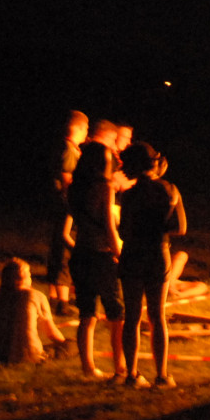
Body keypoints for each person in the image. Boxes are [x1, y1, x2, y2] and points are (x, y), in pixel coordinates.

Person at [119, 141, 187, 387]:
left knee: (132, 315)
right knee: (157, 315)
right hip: (158, 253)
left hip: (132, 254)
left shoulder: (128, 195)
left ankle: (132, 373)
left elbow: (124, 231)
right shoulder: (169, 189)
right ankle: (162, 374)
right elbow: (181, 227)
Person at [68, 139, 125, 379]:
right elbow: (109, 226)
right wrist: (120, 253)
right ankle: (121, 366)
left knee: (86, 313)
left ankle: (88, 367)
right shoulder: (103, 187)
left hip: (80, 252)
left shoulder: (75, 187)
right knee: (116, 313)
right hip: (101, 254)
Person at [0, 257, 69, 365]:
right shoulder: (35, 295)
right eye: (29, 274)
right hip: (29, 356)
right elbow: (51, 333)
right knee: (73, 344)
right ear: (24, 278)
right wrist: (64, 345)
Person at [47, 111, 88, 314]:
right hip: (67, 205)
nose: (86, 133)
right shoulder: (70, 151)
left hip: (60, 204)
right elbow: (67, 179)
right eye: (85, 129)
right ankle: (62, 302)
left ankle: (54, 296)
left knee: (57, 249)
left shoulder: (64, 147)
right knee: (64, 251)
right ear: (79, 128)